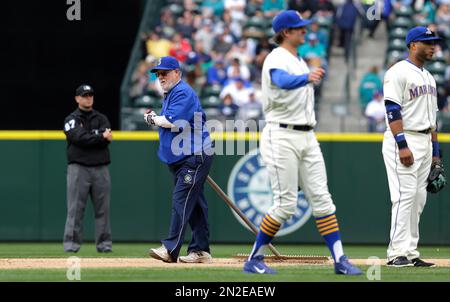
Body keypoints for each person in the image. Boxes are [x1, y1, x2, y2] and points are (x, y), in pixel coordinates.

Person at [243, 10, 362, 275]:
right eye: (300, 28)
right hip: (281, 134)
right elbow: (280, 81)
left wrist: (305, 74)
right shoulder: (277, 57)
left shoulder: (298, 60)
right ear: (286, 32)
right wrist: (305, 78)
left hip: (307, 135)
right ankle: (254, 258)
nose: (305, 31)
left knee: (323, 199)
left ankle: (340, 260)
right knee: (286, 204)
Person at [382, 26, 446, 267]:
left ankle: (409, 251)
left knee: (419, 199)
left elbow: (433, 121)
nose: (432, 46)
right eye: (426, 42)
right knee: (404, 196)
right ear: (412, 45)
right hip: (404, 138)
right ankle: (395, 253)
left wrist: (436, 155)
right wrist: (402, 145)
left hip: (425, 141)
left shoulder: (429, 77)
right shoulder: (397, 72)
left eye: (433, 43)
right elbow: (392, 109)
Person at [144, 56, 214, 264]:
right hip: (183, 156)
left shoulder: (182, 91)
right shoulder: (171, 93)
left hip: (194, 155)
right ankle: (201, 250)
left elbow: (173, 122)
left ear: (177, 72)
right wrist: (157, 118)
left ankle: (169, 248)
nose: (161, 76)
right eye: (158, 74)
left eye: (165, 72)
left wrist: (153, 119)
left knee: (181, 200)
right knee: (196, 205)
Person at [63, 84, 113, 253]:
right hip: (79, 168)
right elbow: (78, 138)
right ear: (77, 98)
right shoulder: (71, 119)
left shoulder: (101, 118)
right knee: (75, 209)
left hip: (101, 168)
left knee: (103, 210)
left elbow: (106, 137)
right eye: (84, 95)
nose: (88, 98)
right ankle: (71, 244)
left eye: (90, 95)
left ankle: (104, 245)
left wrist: (93, 137)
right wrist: (99, 136)